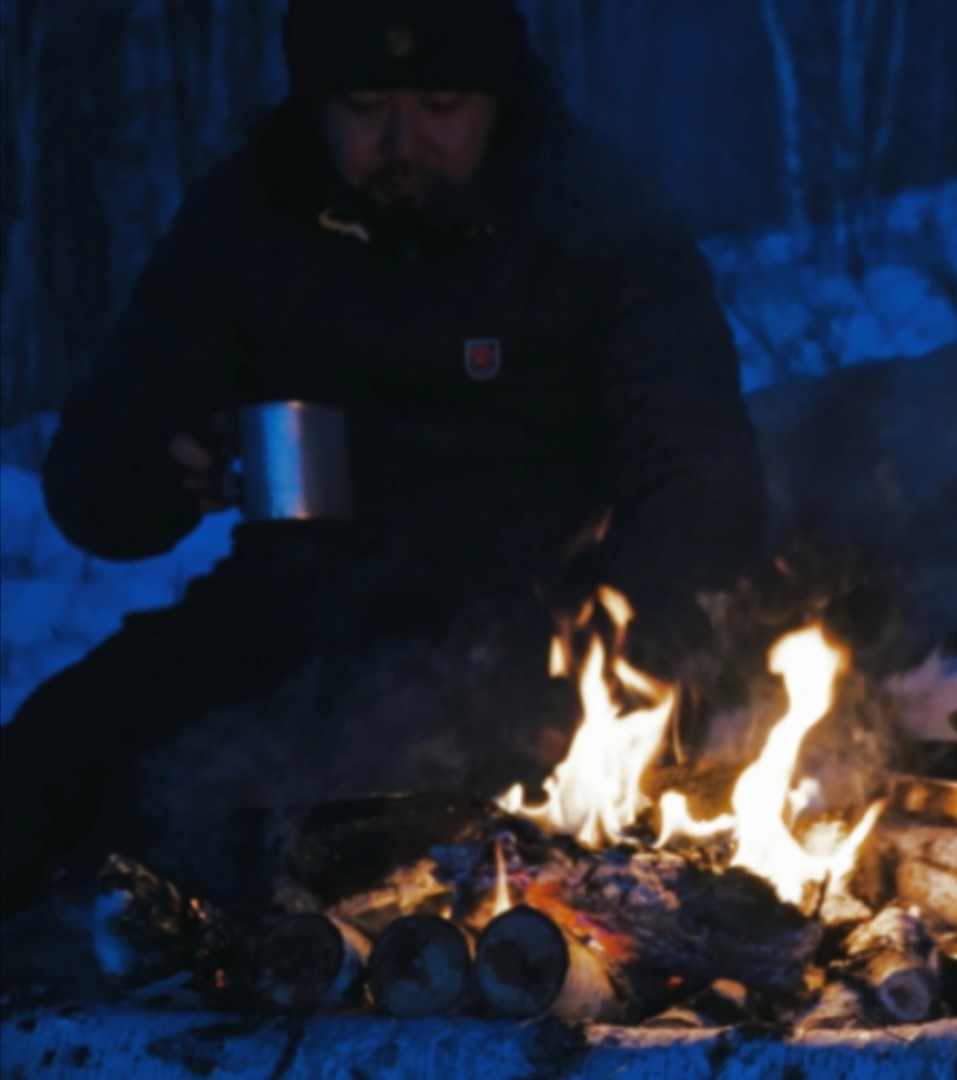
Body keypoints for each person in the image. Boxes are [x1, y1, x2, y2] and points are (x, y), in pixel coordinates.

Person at [0, 0, 765, 915]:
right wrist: (165, 463)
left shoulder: (592, 221)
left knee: (408, 831)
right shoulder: (251, 216)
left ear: (498, 98)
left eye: (442, 104)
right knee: (44, 768)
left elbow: (698, 474)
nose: (403, 140)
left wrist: (629, 655)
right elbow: (91, 487)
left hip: (534, 627)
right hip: (291, 609)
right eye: (364, 105)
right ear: (317, 102)